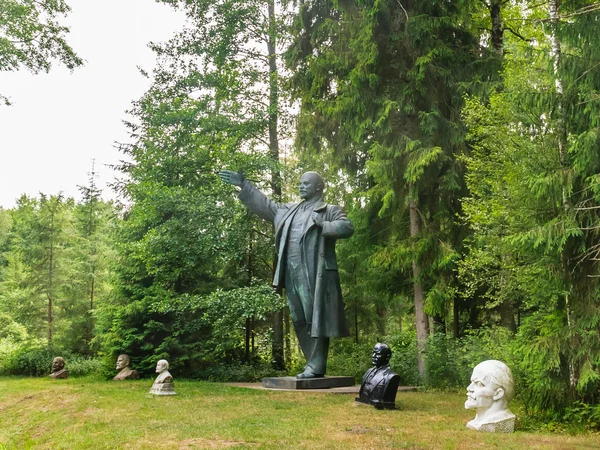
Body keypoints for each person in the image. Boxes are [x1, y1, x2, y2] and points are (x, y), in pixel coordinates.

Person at [219, 170, 354, 378]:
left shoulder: (328, 210)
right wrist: (244, 185)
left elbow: (347, 227)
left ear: (318, 187)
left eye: (306, 183)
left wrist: (324, 225)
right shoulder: (289, 210)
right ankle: (312, 364)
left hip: (315, 271)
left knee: (314, 318)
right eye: (300, 183)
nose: (300, 186)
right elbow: (265, 205)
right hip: (291, 271)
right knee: (299, 319)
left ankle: (316, 366)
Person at [465, 360, 516, 432]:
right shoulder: (475, 423)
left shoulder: (501, 421)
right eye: (472, 382)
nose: (469, 388)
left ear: (498, 394)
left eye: (479, 384)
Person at [356, 343, 400, 409]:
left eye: (377, 354)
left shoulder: (391, 376)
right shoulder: (368, 372)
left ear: (387, 356)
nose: (373, 356)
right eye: (373, 353)